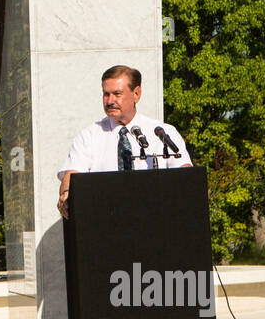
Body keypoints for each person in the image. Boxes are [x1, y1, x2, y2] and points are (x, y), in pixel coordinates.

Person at [57, 65, 193, 219]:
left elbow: (185, 177)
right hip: (105, 222)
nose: (110, 101)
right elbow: (71, 176)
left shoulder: (162, 133)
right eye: (106, 94)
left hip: (157, 221)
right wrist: (65, 193)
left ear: (136, 94)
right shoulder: (89, 136)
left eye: (117, 94)